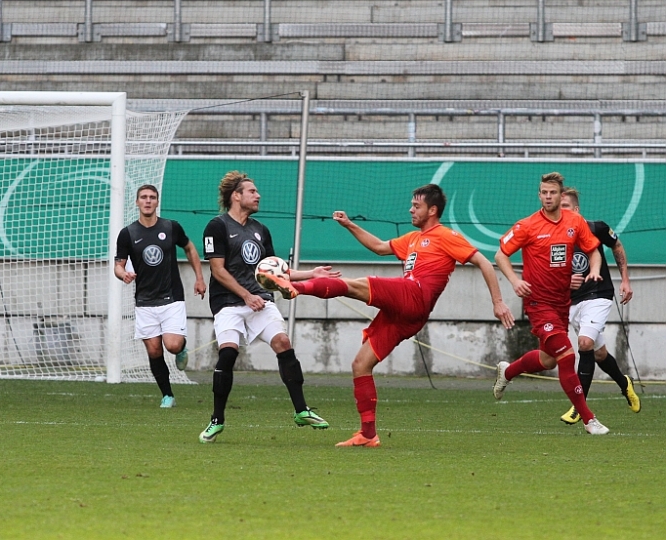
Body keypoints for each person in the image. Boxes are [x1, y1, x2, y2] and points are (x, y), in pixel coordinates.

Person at [274, 184, 515, 447]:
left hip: (415, 295)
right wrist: (349, 225)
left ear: (432, 210)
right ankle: (368, 434)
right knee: (360, 364)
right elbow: (379, 247)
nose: (411, 209)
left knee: (355, 285)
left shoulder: (446, 236)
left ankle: (294, 287)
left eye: (417, 206)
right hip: (408, 314)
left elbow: (483, 262)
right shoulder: (412, 239)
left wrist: (498, 302)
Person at [197, 171, 333, 444]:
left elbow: (275, 271)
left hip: (260, 300)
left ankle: (302, 411)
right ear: (236, 196)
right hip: (228, 303)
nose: (258, 195)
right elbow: (218, 271)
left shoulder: (260, 230)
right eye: (252, 191)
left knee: (283, 343)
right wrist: (246, 296)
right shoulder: (217, 226)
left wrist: (309, 275)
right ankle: (217, 420)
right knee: (228, 353)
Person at [492, 172, 609, 435]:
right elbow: (500, 255)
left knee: (548, 360)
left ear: (560, 195)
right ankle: (589, 419)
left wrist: (594, 270)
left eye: (552, 192)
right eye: (544, 192)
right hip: (537, 302)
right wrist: (515, 281)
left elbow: (593, 250)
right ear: (539, 195)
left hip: (561, 302)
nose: (548, 197)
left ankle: (507, 371)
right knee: (567, 355)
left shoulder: (574, 221)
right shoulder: (527, 225)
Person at [115, 185, 207, 408]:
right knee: (154, 350)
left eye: (152, 197)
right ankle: (167, 395)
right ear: (137, 202)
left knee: (172, 345)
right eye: (143, 197)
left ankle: (181, 348)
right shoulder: (128, 233)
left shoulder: (171, 227)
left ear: (157, 202)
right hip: (145, 301)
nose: (148, 201)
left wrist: (199, 277)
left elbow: (190, 248)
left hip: (171, 297)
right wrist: (123, 274)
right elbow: (118, 265)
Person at [558, 187, 640, 424]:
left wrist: (625, 280)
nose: (561, 211)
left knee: (584, 343)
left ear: (576, 209)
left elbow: (617, 246)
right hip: (573, 301)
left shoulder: (596, 228)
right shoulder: (555, 236)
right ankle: (624, 383)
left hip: (599, 294)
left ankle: (579, 407)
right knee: (599, 353)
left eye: (565, 207)